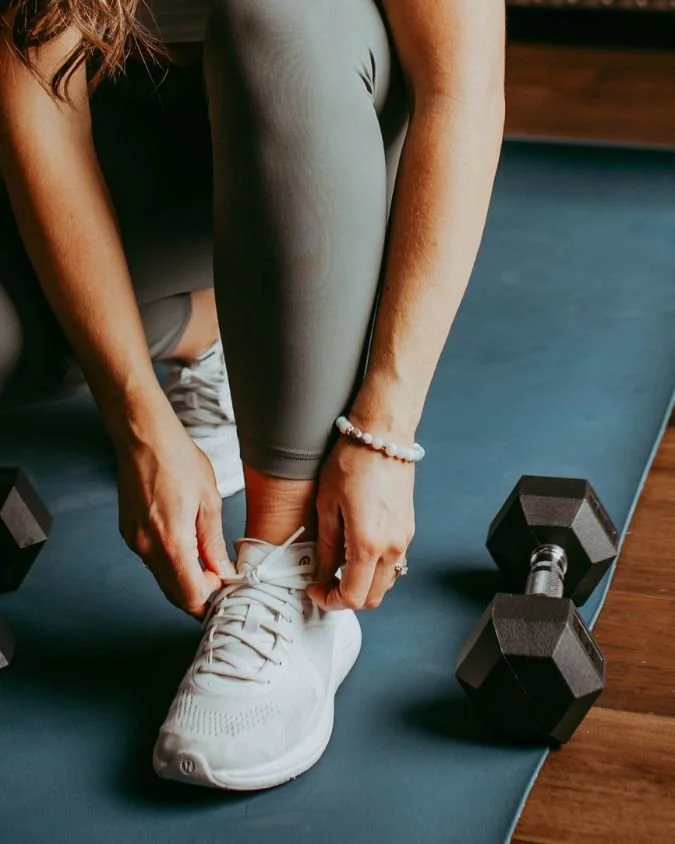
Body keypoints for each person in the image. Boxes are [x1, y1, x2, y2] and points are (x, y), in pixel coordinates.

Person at [0, 0, 505, 790]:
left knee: (273, 16)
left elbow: (461, 92)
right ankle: (200, 328)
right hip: (135, 141)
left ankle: (286, 568)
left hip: (319, 116)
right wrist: (136, 412)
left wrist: (383, 431)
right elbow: (36, 92)